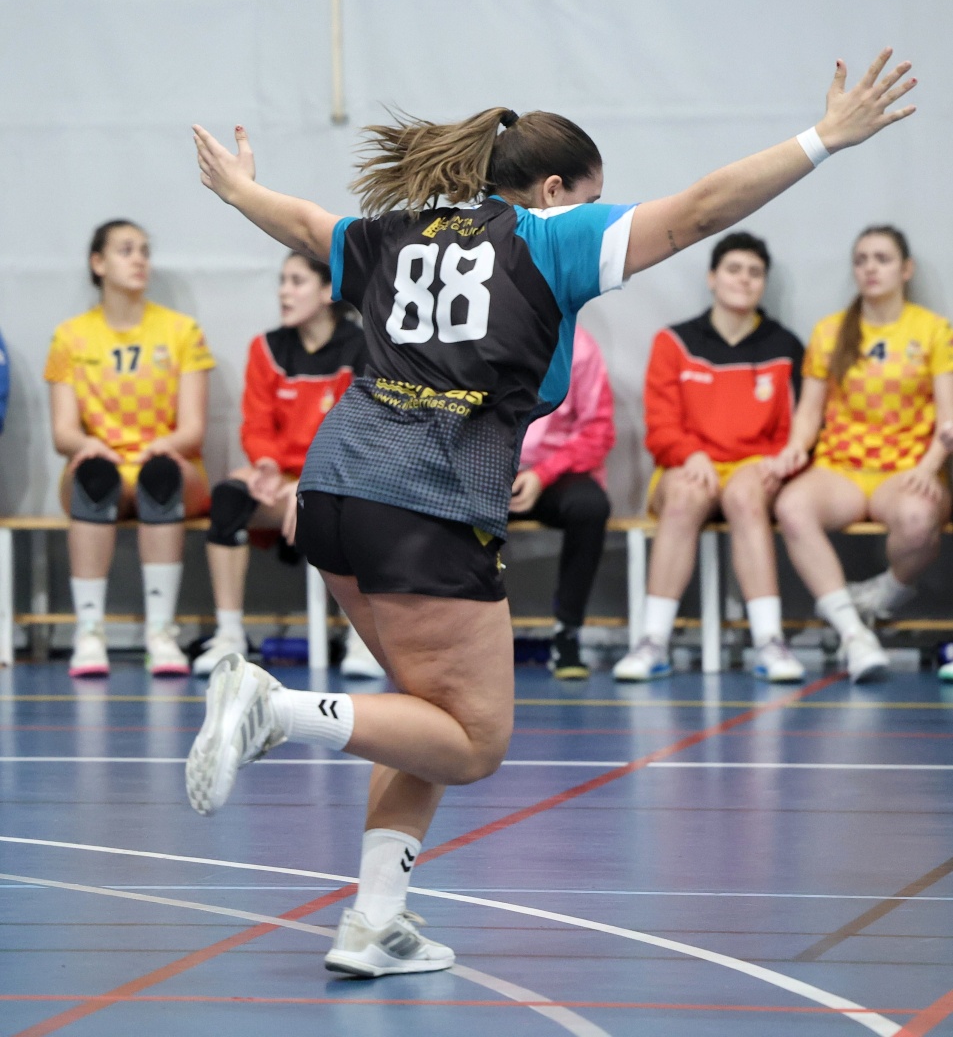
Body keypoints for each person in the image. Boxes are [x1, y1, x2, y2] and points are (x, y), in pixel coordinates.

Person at [186, 49, 916, 979]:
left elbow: (300, 222)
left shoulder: (396, 232)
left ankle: (374, 921)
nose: (598, 212)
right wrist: (824, 140)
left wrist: (238, 192)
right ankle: (275, 709)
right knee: (474, 741)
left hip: (332, 486)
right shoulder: (547, 238)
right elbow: (701, 210)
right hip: (425, 500)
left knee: (424, 712)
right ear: (555, 189)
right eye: (592, 198)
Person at [614, 232, 805, 683]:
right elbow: (660, 425)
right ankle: (652, 643)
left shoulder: (786, 347)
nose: (744, 279)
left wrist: (769, 464)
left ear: (764, 284)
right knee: (683, 498)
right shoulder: (675, 342)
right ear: (712, 278)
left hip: (753, 472)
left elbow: (793, 433)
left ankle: (769, 643)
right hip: (689, 467)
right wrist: (689, 454)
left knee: (744, 497)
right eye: (734, 269)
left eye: (755, 272)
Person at [772, 225, 953, 683]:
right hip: (841, 469)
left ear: (906, 270)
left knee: (919, 520)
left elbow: (948, 418)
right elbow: (809, 412)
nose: (870, 268)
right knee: (791, 506)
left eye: (882, 259)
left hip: (907, 468)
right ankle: (854, 635)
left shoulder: (933, 330)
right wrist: (794, 449)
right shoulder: (830, 331)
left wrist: (930, 466)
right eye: (862, 259)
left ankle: (882, 594)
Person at [45, 220, 216, 677]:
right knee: (93, 475)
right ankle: (89, 632)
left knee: (160, 476)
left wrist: (157, 448)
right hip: (104, 466)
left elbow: (193, 429)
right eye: (126, 250)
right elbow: (63, 434)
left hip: (168, 465)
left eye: (144, 250)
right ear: (98, 263)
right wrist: (91, 445)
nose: (139, 259)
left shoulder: (181, 330)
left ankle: (161, 633)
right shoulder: (70, 336)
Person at [195, 252, 375, 677]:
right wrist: (266, 464)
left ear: (328, 291)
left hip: (342, 478)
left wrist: (313, 482)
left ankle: (365, 638)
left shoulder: (363, 347)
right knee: (228, 497)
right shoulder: (266, 348)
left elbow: (360, 431)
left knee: (362, 510)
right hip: (283, 484)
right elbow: (256, 424)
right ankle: (229, 635)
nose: (284, 292)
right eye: (282, 281)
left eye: (296, 281)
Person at [510, 326, 614, 680]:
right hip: (492, 465)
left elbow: (598, 430)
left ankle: (567, 634)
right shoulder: (477, 334)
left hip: (556, 472)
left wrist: (543, 474)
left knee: (590, 507)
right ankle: (463, 635)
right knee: (447, 506)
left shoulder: (579, 345)